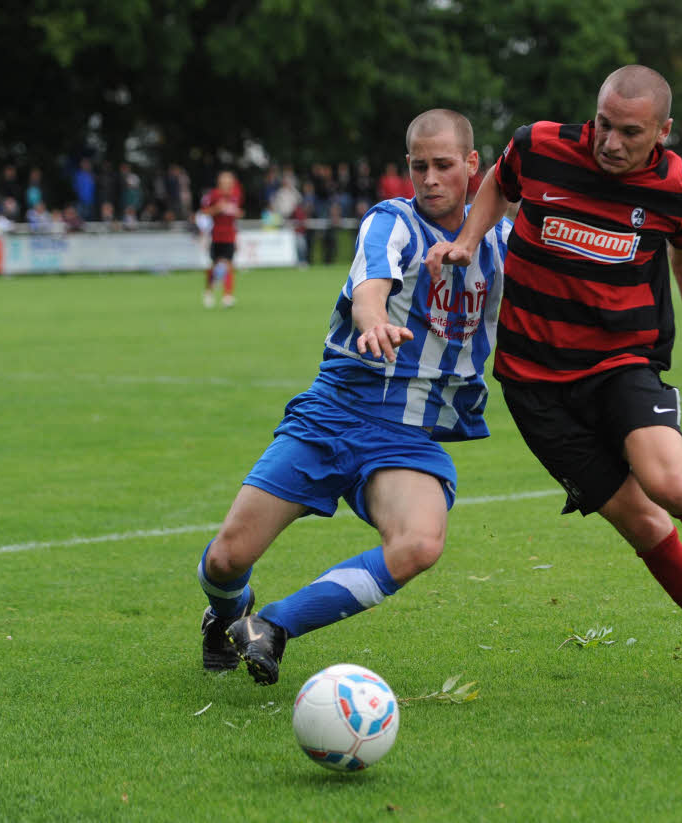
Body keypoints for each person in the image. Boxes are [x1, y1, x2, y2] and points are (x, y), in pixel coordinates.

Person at [426, 65, 682, 701]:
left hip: (621, 362)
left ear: (664, 132)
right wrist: (468, 239)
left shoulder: (675, 189)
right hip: (534, 386)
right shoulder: (538, 145)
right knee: (646, 528)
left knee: (670, 483)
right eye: (604, 125)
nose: (610, 143)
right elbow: (497, 188)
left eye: (630, 133)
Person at [198, 109, 510, 686]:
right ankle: (226, 614)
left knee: (419, 543)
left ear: (473, 165)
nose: (431, 178)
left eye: (444, 165)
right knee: (225, 560)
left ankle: (275, 625)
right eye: (419, 166)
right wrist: (373, 321)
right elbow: (371, 290)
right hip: (334, 413)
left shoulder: (503, 244)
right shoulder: (389, 221)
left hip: (405, 437)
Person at [199, 170, 244, 308]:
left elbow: (240, 212)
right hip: (216, 235)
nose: (227, 183)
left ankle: (227, 296)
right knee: (213, 265)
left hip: (230, 235)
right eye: (224, 181)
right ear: (219, 182)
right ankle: (208, 292)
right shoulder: (214, 195)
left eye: (229, 180)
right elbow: (204, 212)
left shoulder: (236, 194)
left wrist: (237, 213)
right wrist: (217, 209)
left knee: (229, 265)